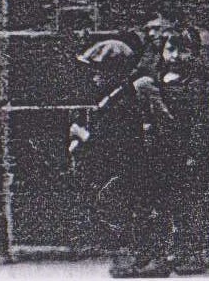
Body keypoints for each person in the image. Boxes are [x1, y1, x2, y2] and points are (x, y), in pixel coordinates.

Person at [69, 38, 176, 278]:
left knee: (143, 209)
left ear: (115, 72)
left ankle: (151, 260)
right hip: (130, 164)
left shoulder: (128, 97)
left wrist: (82, 135)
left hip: (140, 164)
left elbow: (113, 139)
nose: (94, 78)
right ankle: (144, 258)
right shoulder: (116, 96)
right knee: (133, 209)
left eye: (99, 72)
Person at [155, 26, 209, 276]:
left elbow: (204, 120)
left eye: (183, 50)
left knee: (191, 203)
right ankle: (173, 250)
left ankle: (193, 252)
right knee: (169, 202)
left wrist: (196, 152)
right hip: (164, 152)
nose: (175, 56)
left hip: (189, 153)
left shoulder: (197, 84)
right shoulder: (159, 80)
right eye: (170, 49)